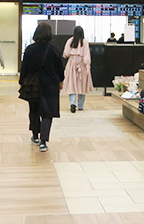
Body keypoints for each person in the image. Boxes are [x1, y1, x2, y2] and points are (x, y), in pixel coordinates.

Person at [19, 23, 64, 153]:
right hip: (50, 85)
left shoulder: (30, 49)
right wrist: (60, 81)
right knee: (47, 113)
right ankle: (44, 141)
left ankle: (35, 136)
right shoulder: (54, 50)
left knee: (34, 111)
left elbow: (24, 68)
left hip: (33, 85)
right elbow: (60, 69)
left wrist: (22, 82)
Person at [62, 26, 93, 112]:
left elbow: (66, 53)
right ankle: (80, 106)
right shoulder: (84, 42)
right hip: (82, 65)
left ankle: (73, 103)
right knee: (82, 86)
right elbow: (87, 55)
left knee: (71, 85)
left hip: (71, 64)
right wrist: (88, 67)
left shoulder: (70, 41)